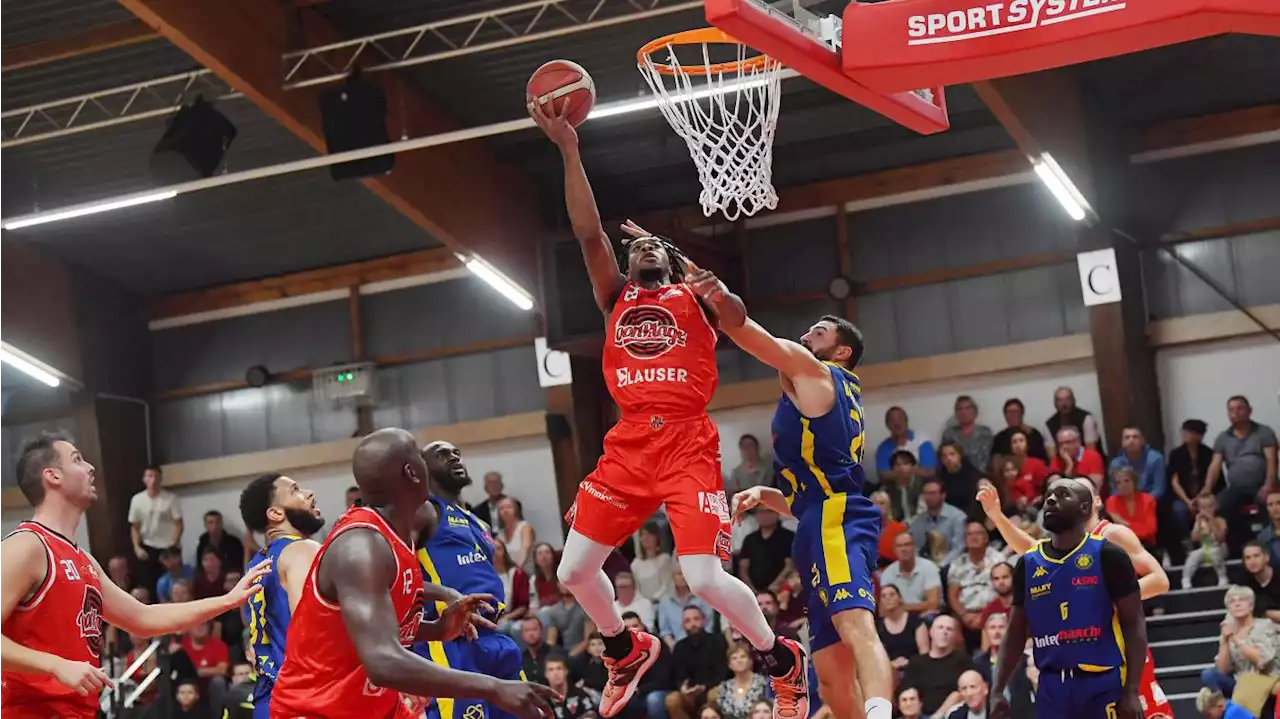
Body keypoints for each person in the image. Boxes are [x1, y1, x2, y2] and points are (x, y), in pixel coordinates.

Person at [531, 98, 805, 718]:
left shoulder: (696, 296)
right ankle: (625, 648)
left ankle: (780, 656)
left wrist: (719, 289)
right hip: (629, 442)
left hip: (684, 441)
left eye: (658, 246)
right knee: (574, 570)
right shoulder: (615, 295)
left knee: (704, 577)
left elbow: (738, 321)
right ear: (629, 263)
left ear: (674, 260)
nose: (646, 251)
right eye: (640, 248)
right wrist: (570, 149)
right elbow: (588, 234)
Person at [268, 428, 557, 719]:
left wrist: (439, 629)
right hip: (315, 709)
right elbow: (383, 661)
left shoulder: (397, 535)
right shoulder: (360, 546)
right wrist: (494, 688)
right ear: (413, 473)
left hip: (370, 706)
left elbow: (374, 629)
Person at [0, 431, 272, 719]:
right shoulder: (26, 546)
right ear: (53, 476)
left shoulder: (84, 560)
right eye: (77, 459)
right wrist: (55, 665)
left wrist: (228, 600)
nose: (91, 467)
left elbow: (144, 619)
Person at [720, 304, 893, 719]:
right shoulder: (820, 388)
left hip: (838, 520)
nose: (807, 335)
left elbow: (753, 336)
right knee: (830, 674)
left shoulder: (820, 374)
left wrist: (715, 299)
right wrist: (766, 494)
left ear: (842, 351)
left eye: (819, 332)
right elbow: (812, 495)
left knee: (855, 625)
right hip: (820, 517)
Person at [979, 480, 1173, 719]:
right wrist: (997, 516)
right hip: (1057, 679)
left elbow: (1160, 581)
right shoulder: (1041, 557)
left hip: (1112, 661)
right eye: (1049, 494)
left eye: (1063, 494)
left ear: (1091, 503)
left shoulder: (1111, 538)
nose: (1051, 500)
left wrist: (1101, 597)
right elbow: (1030, 548)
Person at [413, 440, 534, 719]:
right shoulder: (424, 511)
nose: (454, 457)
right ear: (422, 468)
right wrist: (446, 596)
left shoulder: (478, 522)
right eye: (442, 455)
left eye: (456, 453)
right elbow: (396, 575)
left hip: (493, 634)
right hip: (451, 642)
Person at [238, 471, 328, 717]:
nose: (309, 493)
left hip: (268, 701)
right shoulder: (302, 550)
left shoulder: (256, 564)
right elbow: (312, 633)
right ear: (276, 513)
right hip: (305, 701)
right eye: (296, 490)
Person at [129, 464, 184, 591]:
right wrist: (137, 547)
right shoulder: (137, 500)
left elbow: (178, 523)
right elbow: (135, 526)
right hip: (148, 548)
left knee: (173, 585)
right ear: (144, 479)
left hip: (168, 547)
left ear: (160, 479)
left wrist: (173, 546)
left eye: (156, 476)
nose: (153, 480)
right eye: (150, 476)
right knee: (149, 585)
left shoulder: (171, 499)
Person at [1183, 494, 1229, 588]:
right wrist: (1198, 522)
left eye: (1209, 506)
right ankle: (1186, 578)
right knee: (1193, 556)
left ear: (1215, 507)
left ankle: (1222, 576)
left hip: (1219, 547)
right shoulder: (1199, 522)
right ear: (1198, 509)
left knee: (1215, 554)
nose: (1206, 510)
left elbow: (1220, 538)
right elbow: (1194, 538)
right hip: (1205, 548)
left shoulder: (1220, 520)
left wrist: (1211, 521)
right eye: (1203, 507)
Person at [197, 510, 246, 574]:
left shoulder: (234, 543)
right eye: (211, 522)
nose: (215, 526)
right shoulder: (202, 544)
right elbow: (199, 569)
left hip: (231, 579)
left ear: (221, 523)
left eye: (217, 522)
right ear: (206, 525)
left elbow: (239, 567)